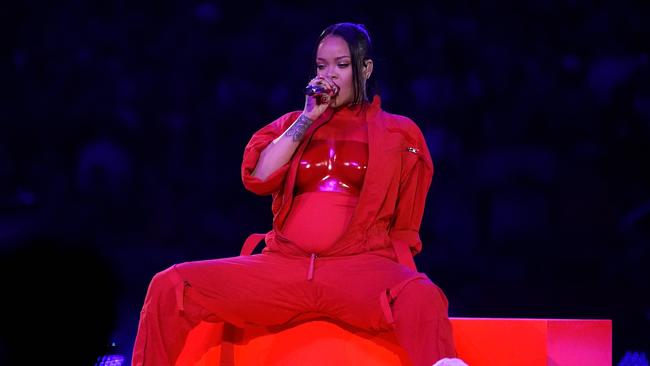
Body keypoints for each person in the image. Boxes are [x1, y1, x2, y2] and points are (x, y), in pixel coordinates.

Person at [132, 22, 467, 366]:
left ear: (366, 68)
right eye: (322, 66)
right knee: (170, 285)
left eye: (342, 65)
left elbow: (405, 227)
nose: (330, 75)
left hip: (357, 271)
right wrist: (308, 118)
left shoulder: (400, 133)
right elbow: (258, 177)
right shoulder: (292, 123)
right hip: (283, 269)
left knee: (423, 294)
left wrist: (395, 276)